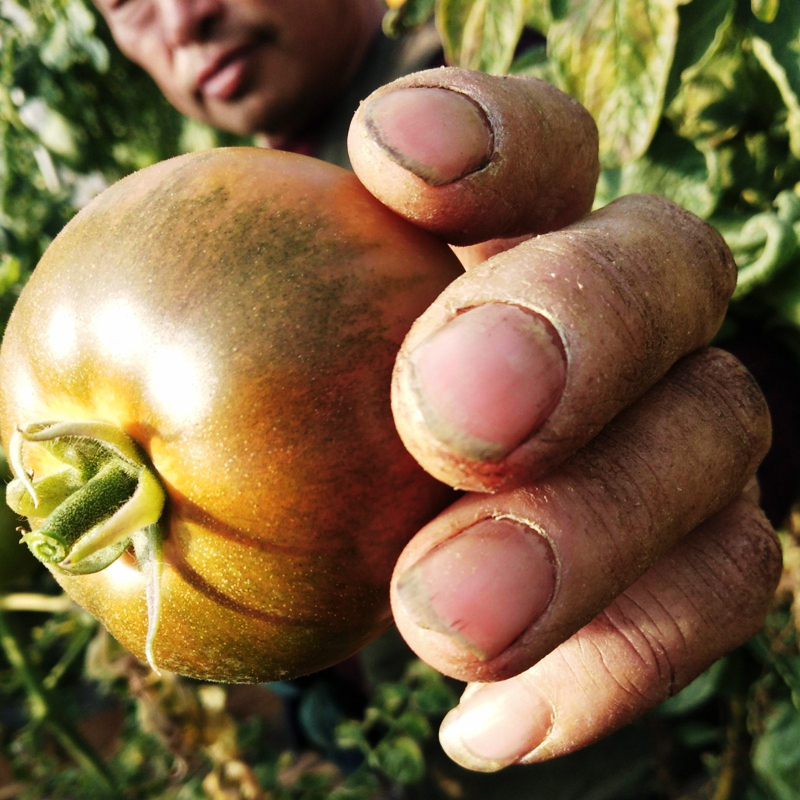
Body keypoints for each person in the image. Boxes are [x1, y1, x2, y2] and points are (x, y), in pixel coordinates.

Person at [91, 0, 782, 773]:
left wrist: (721, 385)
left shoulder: (484, 86)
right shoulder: (190, 227)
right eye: (124, 4)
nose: (182, 18)